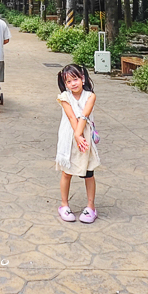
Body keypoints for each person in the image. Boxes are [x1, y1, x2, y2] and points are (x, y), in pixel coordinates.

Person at [56, 64, 99, 224]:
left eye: (75, 79)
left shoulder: (90, 96)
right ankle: (64, 205)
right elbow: (71, 117)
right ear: (65, 84)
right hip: (69, 138)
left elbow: (84, 115)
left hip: (84, 139)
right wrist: (76, 135)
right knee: (66, 172)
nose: (73, 83)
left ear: (83, 79)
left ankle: (91, 206)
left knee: (89, 172)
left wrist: (80, 136)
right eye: (69, 81)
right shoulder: (64, 97)